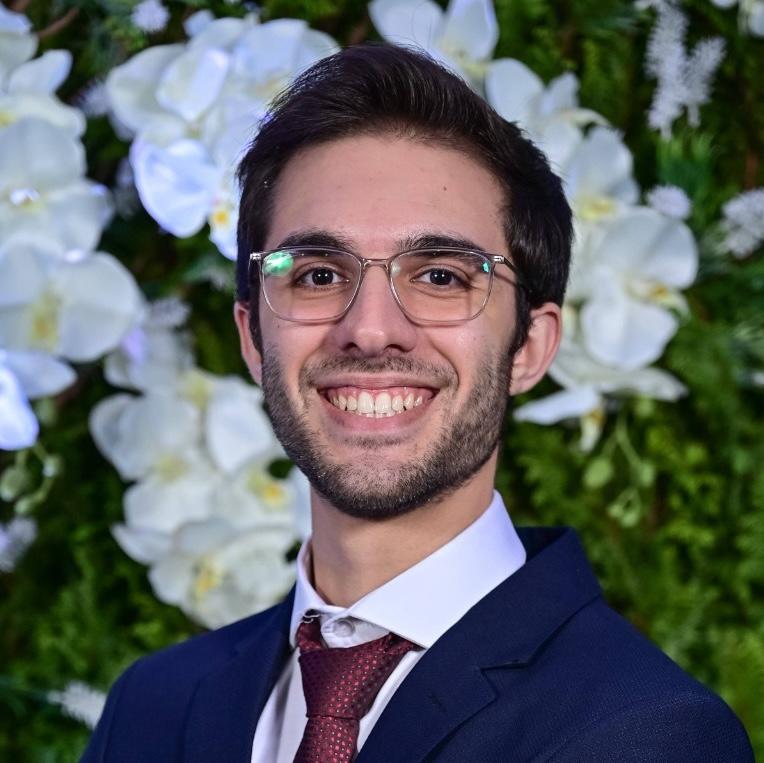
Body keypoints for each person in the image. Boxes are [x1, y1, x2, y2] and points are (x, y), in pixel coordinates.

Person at [82, 44, 753, 762]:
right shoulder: (151, 707)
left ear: (529, 346)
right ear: (252, 338)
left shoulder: (648, 734)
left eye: (440, 276)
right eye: (317, 274)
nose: (371, 330)